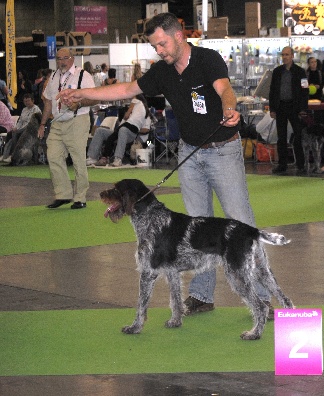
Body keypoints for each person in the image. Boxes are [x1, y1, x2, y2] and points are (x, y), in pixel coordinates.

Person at [58, 12, 273, 316]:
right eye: (155, 47)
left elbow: (224, 89)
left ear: (178, 35)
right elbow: (124, 90)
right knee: (197, 225)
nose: (159, 51)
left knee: (240, 221)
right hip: (189, 153)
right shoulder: (162, 71)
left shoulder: (207, 59)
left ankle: (263, 297)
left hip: (223, 150)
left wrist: (229, 109)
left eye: (162, 44)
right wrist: (81, 94)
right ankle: (201, 295)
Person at [38, 48, 98, 209]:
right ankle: (63, 194)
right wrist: (43, 124)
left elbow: (94, 99)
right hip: (57, 122)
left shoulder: (83, 75)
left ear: (72, 59)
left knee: (78, 159)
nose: (61, 61)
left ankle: (80, 197)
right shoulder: (53, 77)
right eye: (58, 58)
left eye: (65, 58)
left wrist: (78, 103)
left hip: (77, 120)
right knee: (53, 156)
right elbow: (48, 102)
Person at [268, 46, 308, 174]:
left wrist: (303, 108)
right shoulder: (277, 72)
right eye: (283, 55)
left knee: (298, 136)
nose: (284, 57)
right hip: (280, 107)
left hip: (295, 107)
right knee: (281, 137)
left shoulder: (301, 72)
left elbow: (305, 90)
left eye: (287, 55)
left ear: (292, 56)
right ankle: (282, 164)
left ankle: (301, 165)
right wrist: (272, 108)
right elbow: (272, 91)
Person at [92, 94, 151, 167]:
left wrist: (132, 128)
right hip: (122, 130)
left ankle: (117, 158)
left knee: (122, 130)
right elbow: (122, 123)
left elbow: (146, 130)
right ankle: (92, 157)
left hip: (138, 137)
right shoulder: (132, 112)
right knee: (100, 131)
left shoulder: (146, 115)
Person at [1, 93, 41, 163]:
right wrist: (16, 127)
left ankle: (14, 154)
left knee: (16, 134)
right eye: (25, 101)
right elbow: (20, 121)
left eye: (28, 101)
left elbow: (31, 123)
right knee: (11, 133)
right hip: (22, 128)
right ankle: (6, 154)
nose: (27, 103)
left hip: (30, 129)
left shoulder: (36, 110)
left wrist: (19, 130)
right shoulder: (24, 109)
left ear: (33, 101)